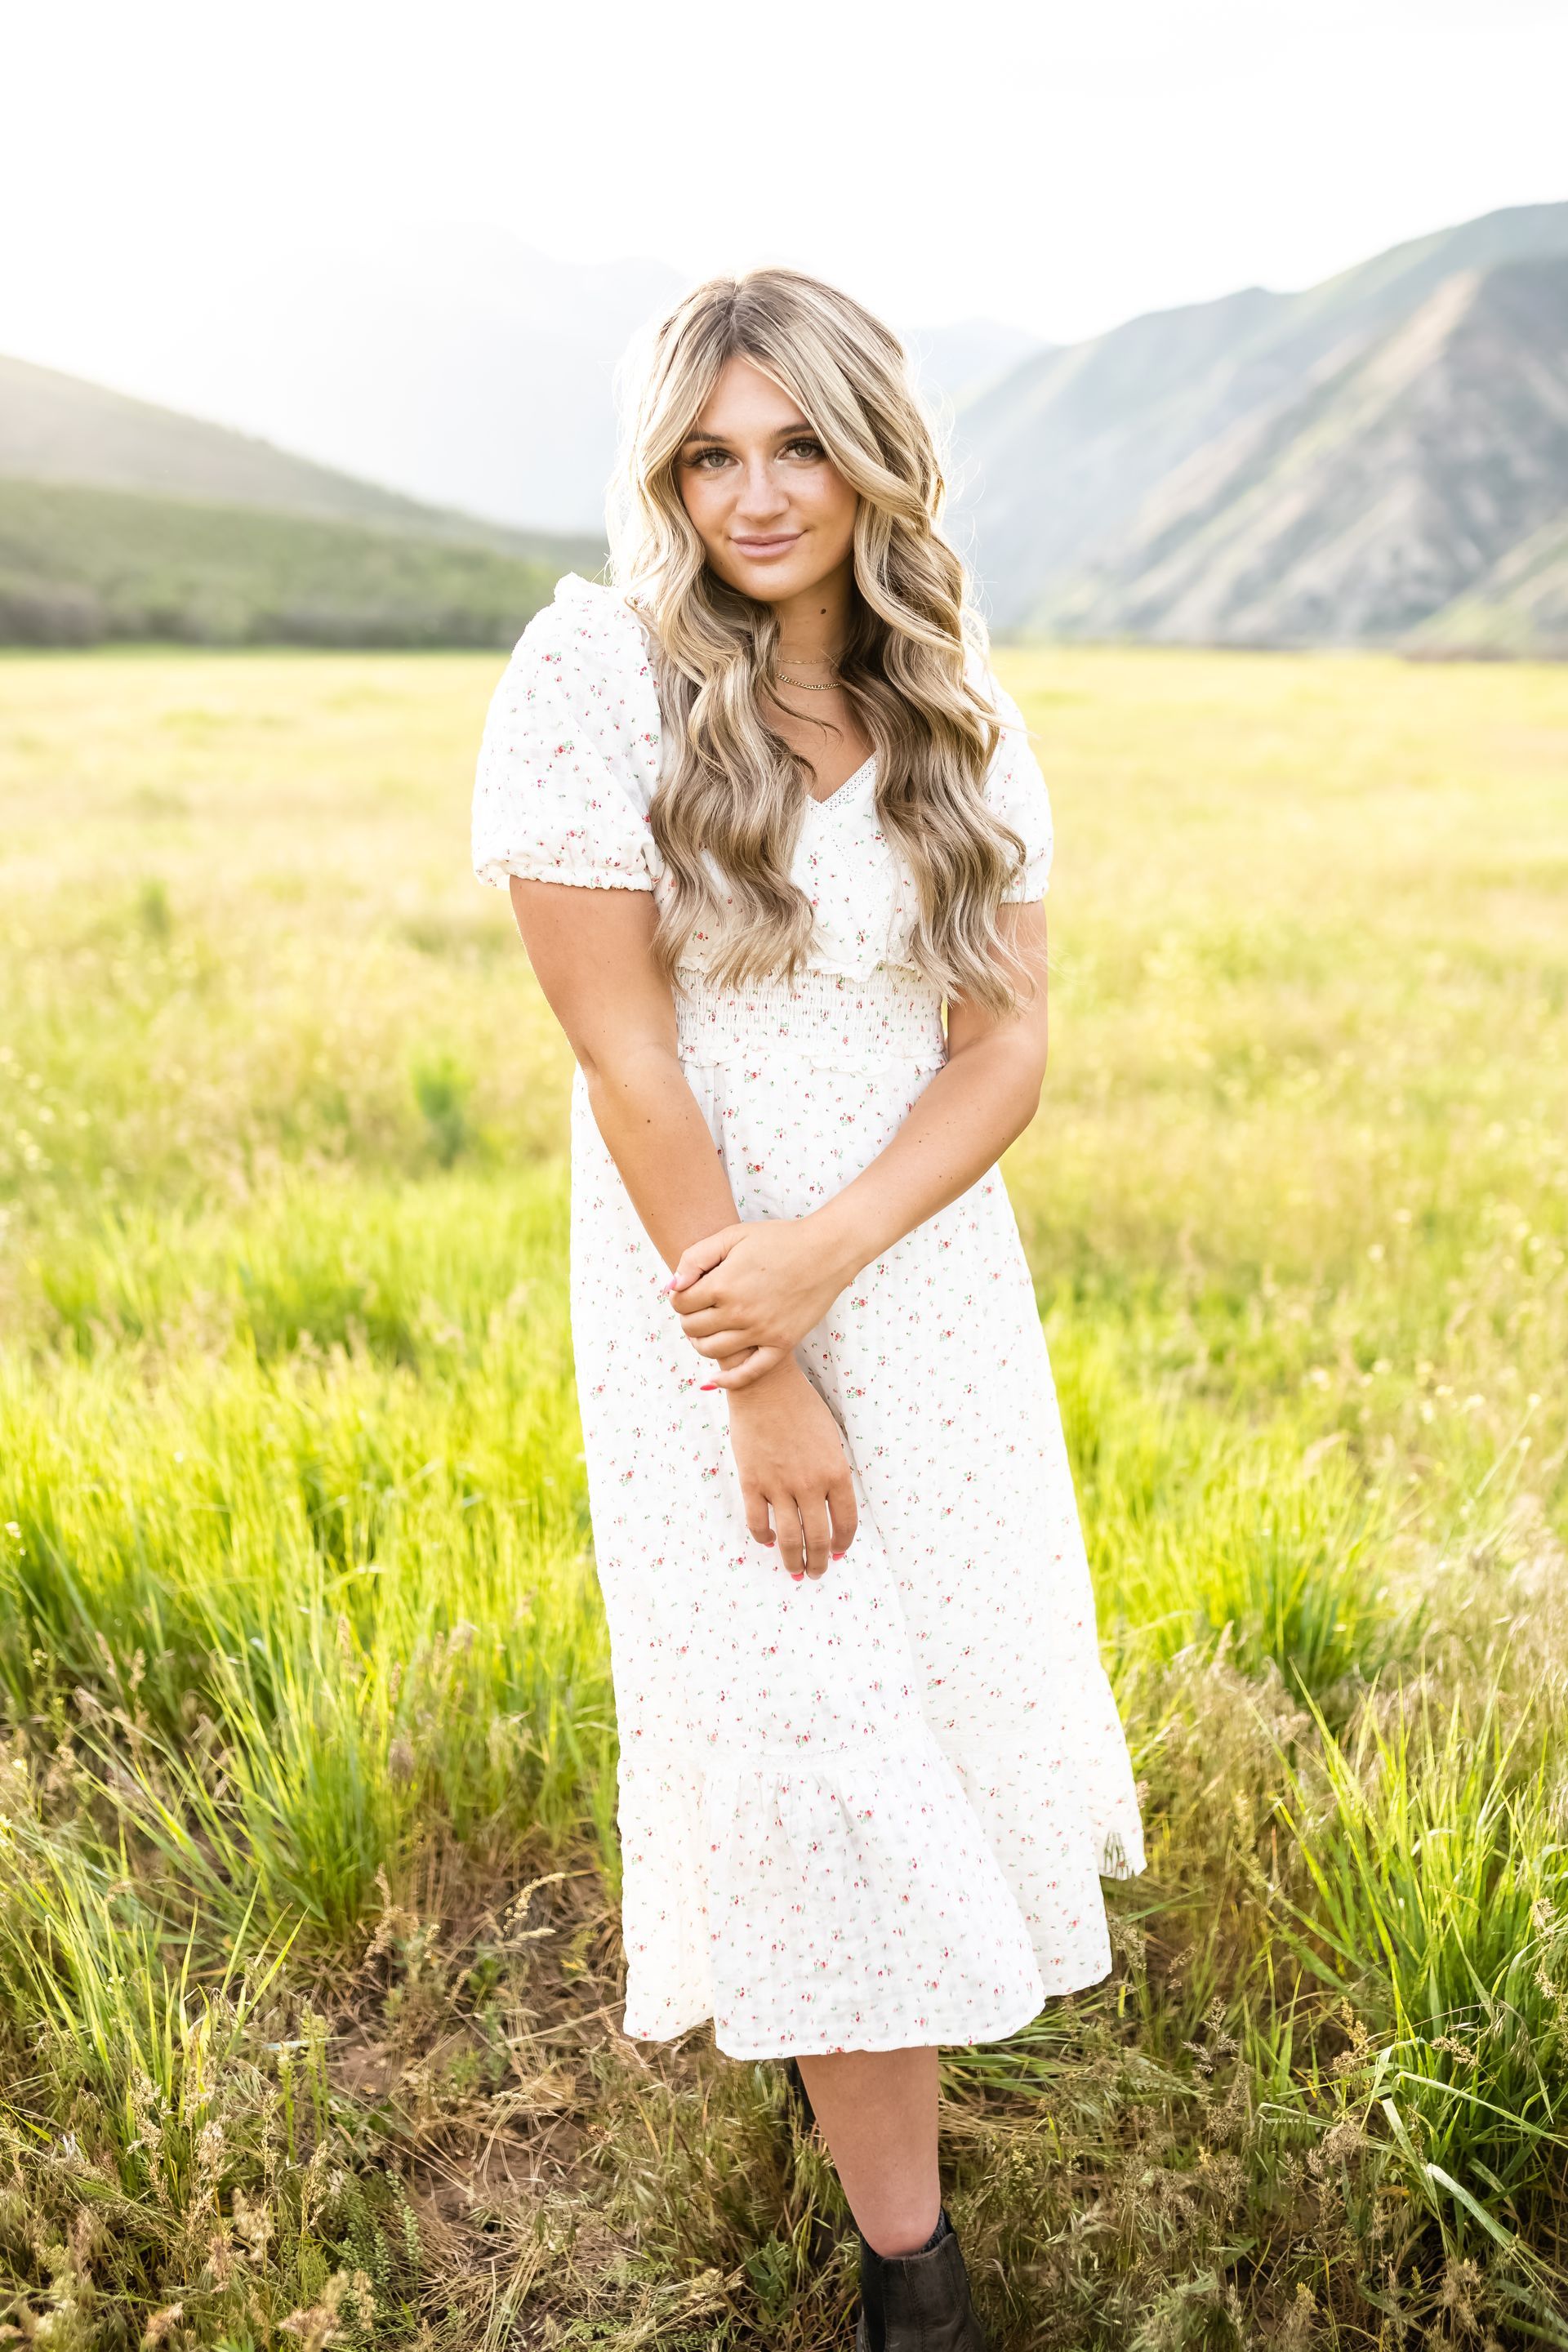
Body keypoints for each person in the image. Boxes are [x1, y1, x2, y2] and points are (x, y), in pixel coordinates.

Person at [472, 266, 1144, 2350]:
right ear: (664, 473)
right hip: (703, 1294)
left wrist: (839, 1257)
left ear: (871, 457)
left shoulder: (956, 704)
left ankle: (860, 2103)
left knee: (921, 1700)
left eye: (796, 444)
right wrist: (756, 1364)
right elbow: (628, 1060)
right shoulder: (593, 676)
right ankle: (910, 2279)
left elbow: (1003, 1053)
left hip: (921, 1287)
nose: (757, 493)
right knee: (819, 1732)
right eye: (711, 452)